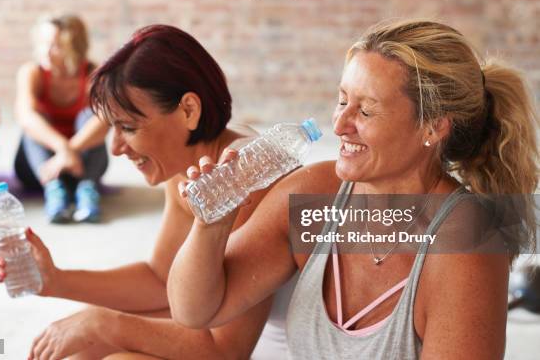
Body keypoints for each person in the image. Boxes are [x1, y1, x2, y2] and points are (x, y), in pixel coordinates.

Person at [168, 19, 539, 359]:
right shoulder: (317, 194)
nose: (341, 123)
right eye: (343, 100)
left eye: (366, 110)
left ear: (432, 127)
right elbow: (196, 310)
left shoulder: (466, 246)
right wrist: (210, 227)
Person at [0, 25, 293, 359]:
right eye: (112, 128)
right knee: (81, 347)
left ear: (189, 110)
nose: (116, 148)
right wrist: (54, 281)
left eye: (129, 127)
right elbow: (161, 279)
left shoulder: (243, 174)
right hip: (224, 335)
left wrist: (104, 324)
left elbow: (224, 349)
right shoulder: (187, 167)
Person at [14, 15, 109, 223]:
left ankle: (86, 192)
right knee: (35, 120)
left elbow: (105, 122)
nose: (46, 52)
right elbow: (25, 117)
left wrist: (70, 151)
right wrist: (63, 149)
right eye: (43, 44)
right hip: (41, 168)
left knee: (90, 115)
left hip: (82, 166)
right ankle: (54, 192)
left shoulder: (94, 73)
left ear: (74, 48)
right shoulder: (32, 72)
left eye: (55, 46)